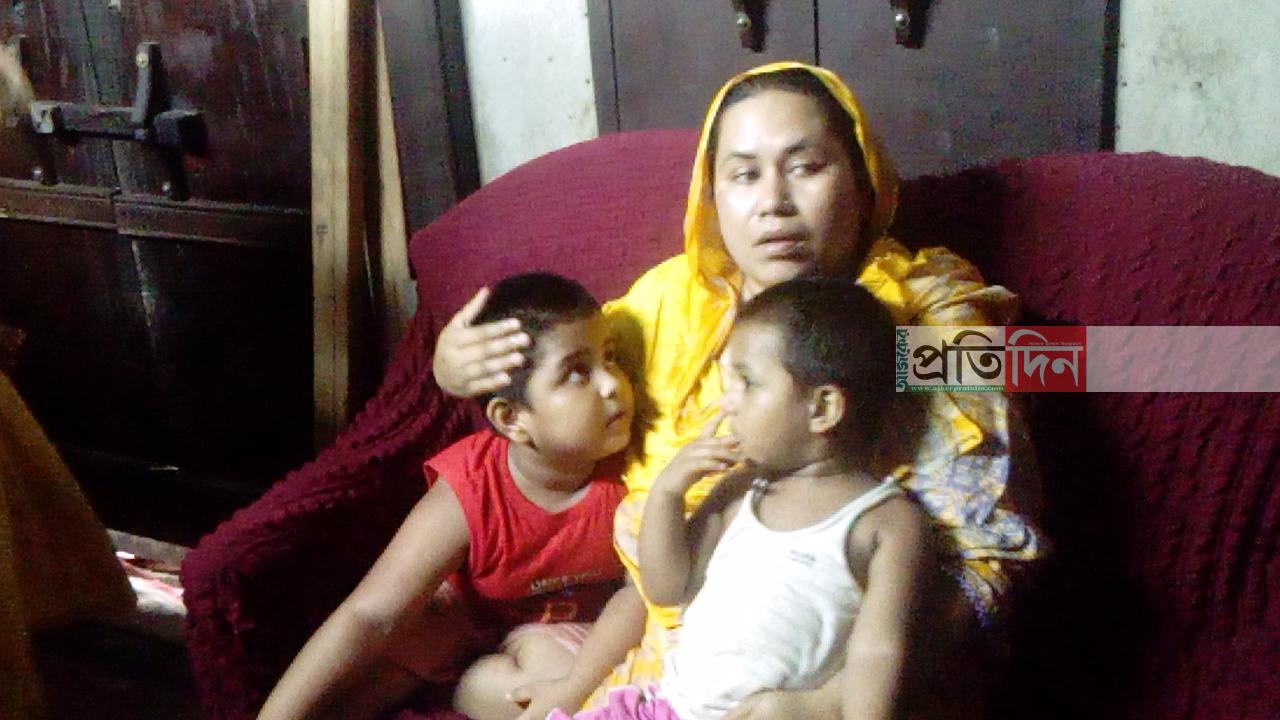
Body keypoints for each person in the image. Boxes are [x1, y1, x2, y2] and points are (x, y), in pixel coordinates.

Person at [435, 62, 1041, 719]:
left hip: (843, 679)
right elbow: (549, 369)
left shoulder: (910, 320)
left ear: (864, 183)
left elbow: (986, 556)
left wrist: (821, 705)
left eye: (806, 167)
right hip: (668, 660)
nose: (774, 202)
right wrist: (453, 369)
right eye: (745, 175)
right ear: (712, 197)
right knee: (488, 684)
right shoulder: (671, 308)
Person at [553, 277, 941, 720]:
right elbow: (666, 589)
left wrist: (817, 707)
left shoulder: (887, 522)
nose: (726, 404)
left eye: (747, 383)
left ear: (822, 408)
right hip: (667, 709)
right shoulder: (738, 490)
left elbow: (881, 650)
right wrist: (667, 492)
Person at [257, 273, 636, 720]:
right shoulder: (472, 485)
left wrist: (573, 689)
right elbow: (370, 614)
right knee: (386, 666)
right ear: (512, 420)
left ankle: (468, 689)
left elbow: (640, 594)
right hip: (459, 627)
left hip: (565, 638)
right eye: (577, 373)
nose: (612, 384)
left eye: (611, 358)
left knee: (564, 683)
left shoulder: (639, 468)